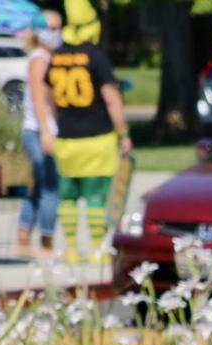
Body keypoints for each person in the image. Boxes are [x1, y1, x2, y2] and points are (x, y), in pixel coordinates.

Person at [44, 0, 131, 263]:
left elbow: (50, 97)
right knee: (96, 196)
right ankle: (96, 249)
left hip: (67, 139)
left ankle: (70, 248)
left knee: (68, 198)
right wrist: (123, 132)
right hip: (97, 138)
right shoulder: (95, 56)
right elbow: (111, 98)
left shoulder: (56, 56)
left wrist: (59, 123)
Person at [16, 9, 62, 255]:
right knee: (51, 188)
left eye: (58, 28)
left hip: (42, 130)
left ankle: (23, 235)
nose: (57, 34)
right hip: (38, 131)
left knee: (39, 186)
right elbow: (37, 97)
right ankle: (47, 240)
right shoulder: (40, 58)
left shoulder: (47, 56)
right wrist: (46, 132)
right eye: (52, 29)